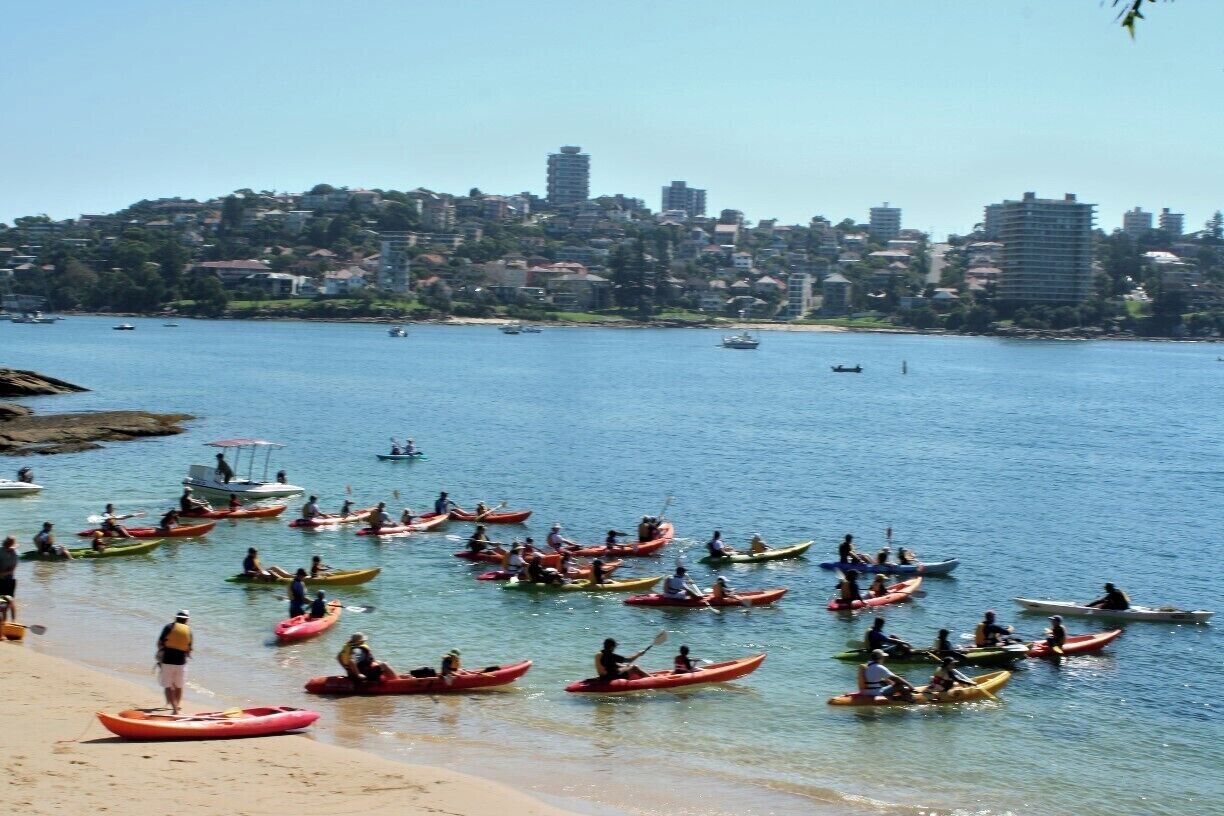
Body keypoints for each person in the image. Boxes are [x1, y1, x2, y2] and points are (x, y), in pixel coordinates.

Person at [156, 610, 192, 714]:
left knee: (168, 686)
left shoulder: (168, 627)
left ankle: (175, 709)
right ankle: (177, 707)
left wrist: (160, 654)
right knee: (179, 686)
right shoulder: (188, 631)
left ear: (175, 618)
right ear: (187, 620)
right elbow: (189, 650)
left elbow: (159, 643)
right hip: (181, 663)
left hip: (167, 661)